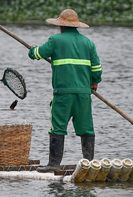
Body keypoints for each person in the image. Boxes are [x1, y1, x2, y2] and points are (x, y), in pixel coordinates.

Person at [28, 9, 102, 168]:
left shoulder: (55, 40)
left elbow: (38, 53)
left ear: (61, 26)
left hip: (63, 94)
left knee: (58, 127)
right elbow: (96, 68)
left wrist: (32, 49)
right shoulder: (88, 43)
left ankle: (53, 164)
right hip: (83, 94)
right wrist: (95, 82)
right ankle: (89, 164)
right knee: (86, 127)